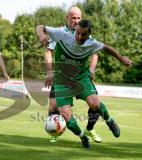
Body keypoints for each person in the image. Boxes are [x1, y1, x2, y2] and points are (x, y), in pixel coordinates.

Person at [36, 19, 132, 148]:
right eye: (78, 33)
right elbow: (40, 26)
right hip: (62, 81)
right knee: (65, 116)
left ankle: (110, 121)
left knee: (95, 104)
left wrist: (121, 59)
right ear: (75, 30)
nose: (80, 37)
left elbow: (107, 48)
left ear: (89, 34)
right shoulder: (63, 34)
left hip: (81, 77)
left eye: (83, 34)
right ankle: (83, 136)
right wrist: (41, 35)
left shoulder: (92, 43)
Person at [44, 6, 101, 143]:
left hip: (80, 77)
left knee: (95, 104)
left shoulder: (86, 34)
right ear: (67, 18)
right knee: (52, 106)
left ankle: (89, 128)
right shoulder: (58, 33)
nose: (76, 21)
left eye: (78, 18)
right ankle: (55, 132)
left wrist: (92, 69)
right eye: (73, 18)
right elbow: (48, 52)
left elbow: (95, 54)